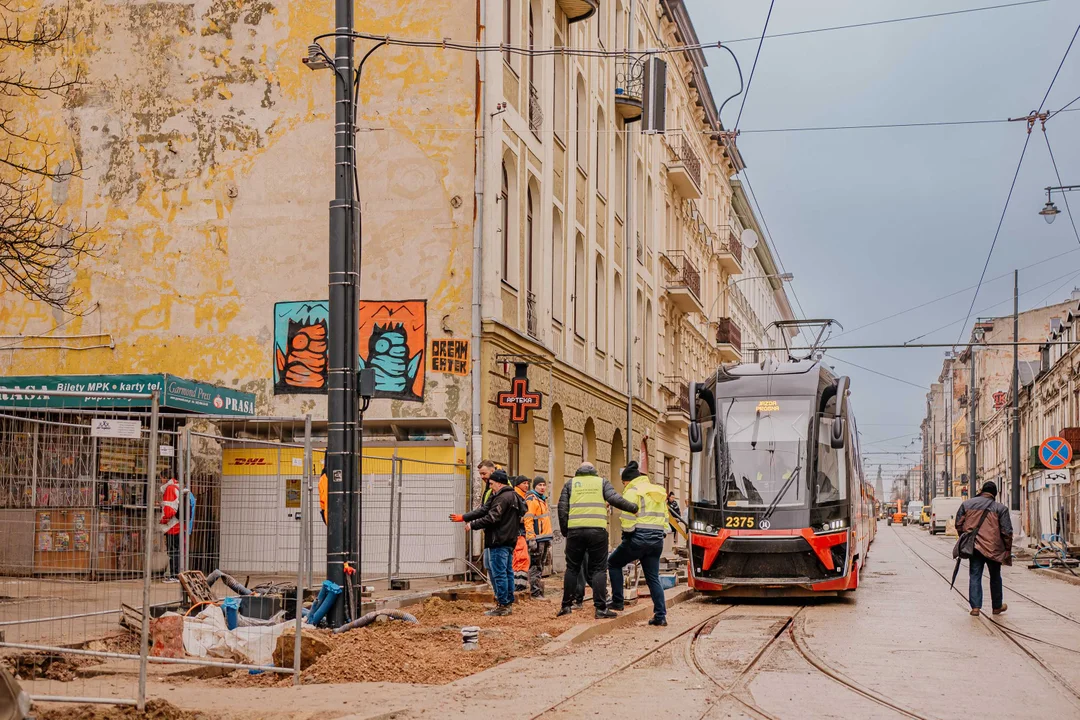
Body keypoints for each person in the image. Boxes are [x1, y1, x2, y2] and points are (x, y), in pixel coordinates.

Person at [557, 462, 638, 619]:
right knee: (599, 569)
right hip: (597, 532)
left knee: (572, 568)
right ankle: (600, 609)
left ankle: (566, 606)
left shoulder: (570, 484)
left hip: (575, 532)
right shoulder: (602, 482)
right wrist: (633, 507)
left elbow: (562, 509)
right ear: (594, 471)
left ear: (578, 471)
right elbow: (614, 499)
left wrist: (566, 531)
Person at [607, 462, 670, 626]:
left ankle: (618, 601)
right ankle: (660, 616)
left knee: (613, 562)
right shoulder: (655, 491)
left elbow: (627, 519)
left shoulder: (632, 491)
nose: (624, 486)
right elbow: (665, 519)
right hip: (657, 540)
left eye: (624, 483)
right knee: (653, 577)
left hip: (638, 538)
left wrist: (627, 538)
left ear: (628, 480)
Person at [454, 469, 524, 616]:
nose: (490, 486)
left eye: (491, 483)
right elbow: (485, 509)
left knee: (499, 573)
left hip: (498, 540)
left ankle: (503, 605)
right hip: (509, 540)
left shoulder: (502, 498)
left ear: (499, 483)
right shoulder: (512, 495)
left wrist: (472, 525)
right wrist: (465, 517)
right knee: (507, 572)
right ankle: (508, 602)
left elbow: (492, 517)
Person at [955, 480, 1013, 617]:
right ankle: (997, 606)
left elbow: (958, 524)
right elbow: (1007, 531)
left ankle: (975, 607)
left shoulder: (967, 504)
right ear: (995, 493)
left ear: (981, 490)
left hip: (974, 547)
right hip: (994, 547)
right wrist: (1007, 549)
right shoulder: (1001, 508)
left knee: (975, 575)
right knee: (995, 576)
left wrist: (965, 538)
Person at [451, 460, 497, 570]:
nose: (482, 476)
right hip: (492, 532)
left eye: (484, 473)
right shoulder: (490, 485)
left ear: (492, 471)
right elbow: (484, 508)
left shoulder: (497, 488)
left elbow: (487, 511)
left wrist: (468, 520)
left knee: (496, 568)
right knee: (490, 566)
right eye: (480, 474)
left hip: (497, 535)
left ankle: (500, 588)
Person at [525, 476, 553, 598]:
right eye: (539, 485)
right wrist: (531, 538)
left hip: (544, 537)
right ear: (535, 486)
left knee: (540, 565)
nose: (542, 487)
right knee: (535, 566)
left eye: (543, 485)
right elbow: (528, 519)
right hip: (537, 538)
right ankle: (535, 592)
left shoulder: (542, 500)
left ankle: (538, 591)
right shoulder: (532, 499)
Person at [160, 471, 181, 583]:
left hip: (172, 525)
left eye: (161, 478)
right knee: (176, 549)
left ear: (164, 478)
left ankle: (174, 575)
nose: (161, 481)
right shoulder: (178, 486)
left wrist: (164, 521)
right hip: (179, 524)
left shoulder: (169, 489)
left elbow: (168, 508)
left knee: (172, 550)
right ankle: (176, 574)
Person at [512, 476, 532, 594]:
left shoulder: (523, 496)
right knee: (521, 558)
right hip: (518, 532)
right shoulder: (517, 497)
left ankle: (519, 583)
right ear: (518, 484)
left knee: (520, 558)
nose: (527, 485)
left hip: (521, 532)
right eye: (524, 483)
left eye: (527, 483)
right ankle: (519, 584)